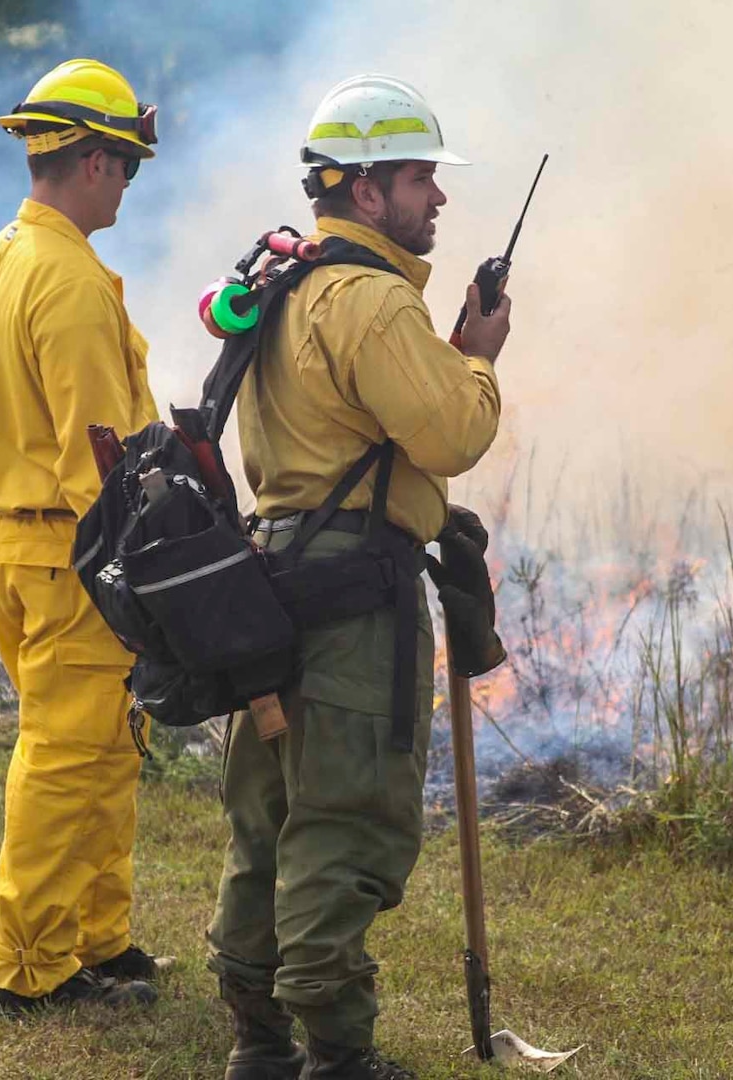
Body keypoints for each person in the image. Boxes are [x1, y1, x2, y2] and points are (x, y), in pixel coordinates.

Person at [205, 74, 511, 1080]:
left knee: (270, 820)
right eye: (422, 177)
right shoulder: (374, 302)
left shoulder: (288, 280)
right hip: (354, 608)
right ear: (367, 190)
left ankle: (259, 1042)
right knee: (346, 825)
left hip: (274, 582)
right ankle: (338, 1057)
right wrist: (479, 360)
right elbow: (451, 433)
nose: (439, 198)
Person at [0, 57, 169, 1018]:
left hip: (14, 543)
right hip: (74, 553)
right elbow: (100, 456)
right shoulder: (74, 283)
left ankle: (96, 938)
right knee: (67, 755)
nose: (128, 182)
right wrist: (156, 560)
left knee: (103, 748)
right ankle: (32, 970)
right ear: (91, 162)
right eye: (126, 163)